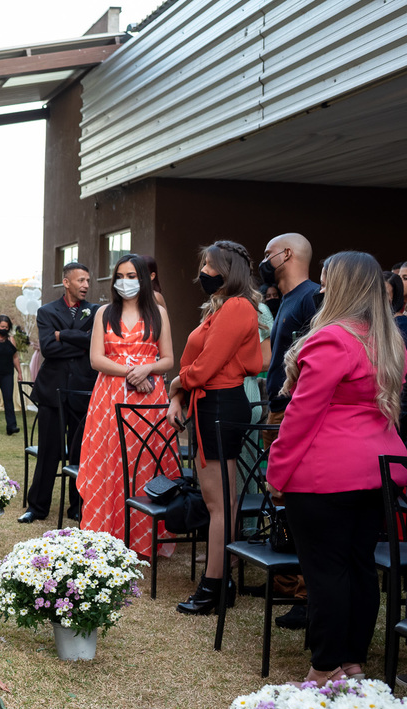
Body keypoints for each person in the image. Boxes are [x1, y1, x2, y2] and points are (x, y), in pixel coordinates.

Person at [267, 251, 407, 685]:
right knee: (360, 568)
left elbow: (301, 416)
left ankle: (324, 668)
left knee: (327, 572)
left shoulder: (332, 338)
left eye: (326, 281)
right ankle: (350, 661)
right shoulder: (388, 340)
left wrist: (277, 475)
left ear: (341, 286)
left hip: (326, 475)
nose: (321, 289)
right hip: (376, 472)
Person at [166, 240, 262, 615]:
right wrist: (181, 393)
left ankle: (214, 586)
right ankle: (223, 581)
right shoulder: (222, 309)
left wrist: (176, 384)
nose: (202, 273)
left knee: (219, 503)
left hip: (219, 404)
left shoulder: (237, 307)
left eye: (208, 266)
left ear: (227, 270)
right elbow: (202, 365)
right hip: (213, 402)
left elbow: (205, 368)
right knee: (224, 501)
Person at [77, 254, 175, 559]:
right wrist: (133, 372)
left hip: (151, 402)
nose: (126, 281)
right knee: (113, 465)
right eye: (120, 275)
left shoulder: (158, 313)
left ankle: (145, 540)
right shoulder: (104, 313)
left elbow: (169, 359)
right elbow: (96, 359)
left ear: (143, 279)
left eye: (132, 275)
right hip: (111, 398)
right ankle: (108, 535)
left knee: (146, 462)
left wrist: (147, 370)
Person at [258, 233, 320, 630]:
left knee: (297, 505)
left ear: (288, 254)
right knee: (279, 503)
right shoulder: (284, 300)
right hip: (275, 411)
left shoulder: (312, 298)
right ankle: (283, 583)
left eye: (268, 253)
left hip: (293, 414)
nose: (264, 260)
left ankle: (304, 594)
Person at [18, 262, 98, 524]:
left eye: (88, 280)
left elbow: (96, 345)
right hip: (52, 392)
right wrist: (81, 340)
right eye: (80, 280)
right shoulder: (46, 311)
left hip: (83, 391)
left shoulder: (96, 312)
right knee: (49, 452)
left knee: (80, 453)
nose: (86, 285)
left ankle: (77, 506)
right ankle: (37, 507)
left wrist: (63, 335)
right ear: (66, 282)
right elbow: (49, 349)